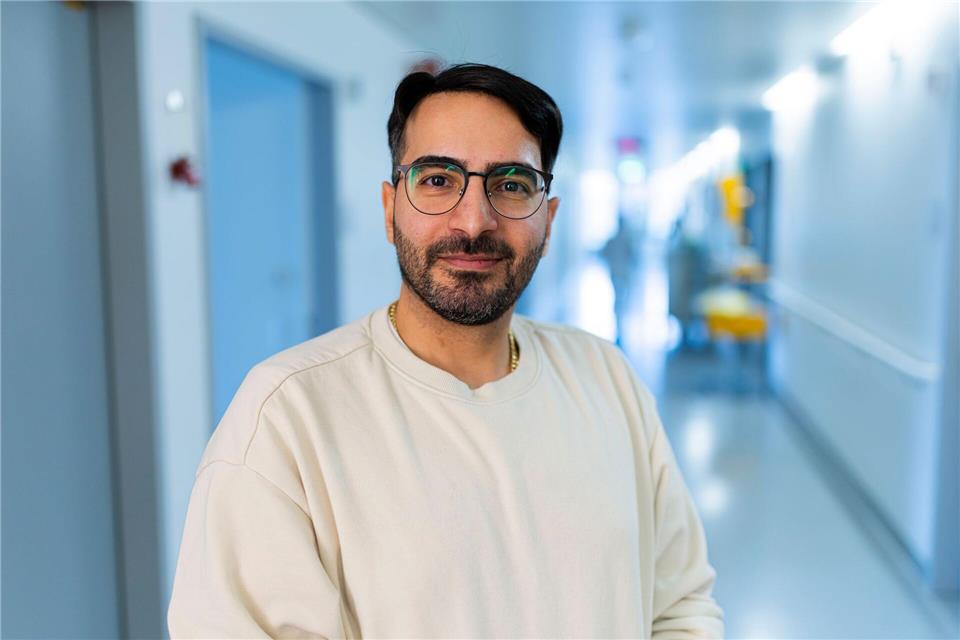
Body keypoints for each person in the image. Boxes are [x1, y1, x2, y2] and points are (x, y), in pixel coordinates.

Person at [168, 63, 723, 638]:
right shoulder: (286, 417)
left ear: (548, 220)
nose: (474, 220)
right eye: (437, 180)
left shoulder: (607, 380)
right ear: (390, 209)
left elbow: (680, 607)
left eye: (511, 184)